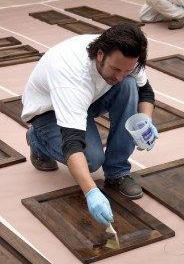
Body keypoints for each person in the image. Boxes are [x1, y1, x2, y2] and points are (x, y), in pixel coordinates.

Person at [21, 23, 158, 226]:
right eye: (116, 69)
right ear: (100, 55)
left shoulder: (126, 57)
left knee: (128, 85)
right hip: (48, 111)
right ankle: (37, 140)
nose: (120, 75)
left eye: (126, 70)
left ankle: (117, 171)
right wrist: (91, 191)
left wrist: (145, 122)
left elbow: (144, 90)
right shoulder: (70, 74)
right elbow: (72, 142)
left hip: (89, 99)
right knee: (91, 161)